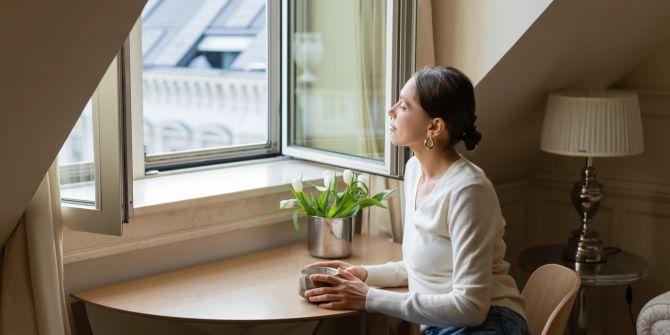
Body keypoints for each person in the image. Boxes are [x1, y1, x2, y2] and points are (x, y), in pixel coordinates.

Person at [303, 66, 530, 334]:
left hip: (490, 322)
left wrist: (369, 298)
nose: (391, 110)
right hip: (444, 325)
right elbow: (421, 270)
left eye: (404, 106)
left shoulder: (468, 191)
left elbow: (471, 306)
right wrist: (362, 275)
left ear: (434, 126)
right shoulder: (414, 171)